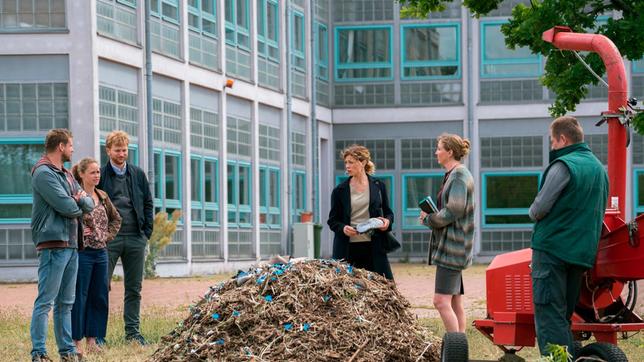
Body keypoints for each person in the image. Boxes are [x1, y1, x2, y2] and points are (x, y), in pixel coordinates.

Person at [529, 116, 608, 356]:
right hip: (581, 254)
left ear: (563, 139)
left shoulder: (564, 165)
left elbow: (538, 209)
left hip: (553, 250)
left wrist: (532, 210)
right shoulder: (598, 168)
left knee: (549, 313)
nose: (552, 146)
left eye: (553, 141)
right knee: (562, 315)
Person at [30, 129, 94, 362]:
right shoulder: (43, 173)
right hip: (53, 243)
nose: (73, 150)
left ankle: (67, 351)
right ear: (60, 147)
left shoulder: (66, 174)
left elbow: (88, 200)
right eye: (70, 146)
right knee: (45, 301)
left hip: (71, 243)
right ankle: (38, 353)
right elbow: (68, 206)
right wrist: (79, 205)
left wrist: (79, 202)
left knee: (66, 302)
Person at [98, 131, 153, 345]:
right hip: (110, 240)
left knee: (134, 288)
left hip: (135, 237)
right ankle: (98, 336)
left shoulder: (138, 174)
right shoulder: (100, 175)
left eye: (124, 150)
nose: (122, 154)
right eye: (117, 150)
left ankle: (133, 334)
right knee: (101, 287)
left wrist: (146, 233)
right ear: (108, 150)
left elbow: (148, 203)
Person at [420, 133, 474, 333]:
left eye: (439, 148)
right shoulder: (455, 174)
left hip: (452, 247)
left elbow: (454, 210)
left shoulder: (459, 175)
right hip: (455, 245)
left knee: (440, 301)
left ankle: (456, 349)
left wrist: (429, 219)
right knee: (454, 302)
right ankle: (460, 348)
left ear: (450, 152)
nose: (436, 152)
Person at [71, 158, 122, 355]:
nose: (97, 175)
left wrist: (107, 237)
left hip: (101, 254)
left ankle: (93, 341)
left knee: (99, 296)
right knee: (80, 297)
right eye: (92, 172)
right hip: (83, 254)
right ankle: (76, 342)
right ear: (82, 174)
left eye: (98, 172)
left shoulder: (102, 196)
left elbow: (116, 218)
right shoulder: (76, 196)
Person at [327, 144, 394, 280]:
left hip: (373, 246)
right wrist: (343, 228)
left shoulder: (378, 186)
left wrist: (387, 222)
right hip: (347, 248)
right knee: (347, 292)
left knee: (383, 287)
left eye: (351, 162)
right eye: (345, 162)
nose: (347, 166)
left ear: (362, 162)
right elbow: (332, 221)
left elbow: (388, 213)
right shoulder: (339, 190)